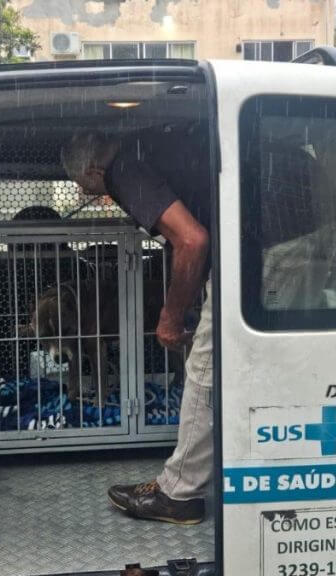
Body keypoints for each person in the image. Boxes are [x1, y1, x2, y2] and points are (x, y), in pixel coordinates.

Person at [61, 126, 213, 524]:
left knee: (205, 371)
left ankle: (180, 494)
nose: (87, 191)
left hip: (261, 253)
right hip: (267, 243)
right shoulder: (151, 150)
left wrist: (170, 316)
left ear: (95, 169)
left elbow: (192, 241)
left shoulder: (124, 170)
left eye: (83, 184)